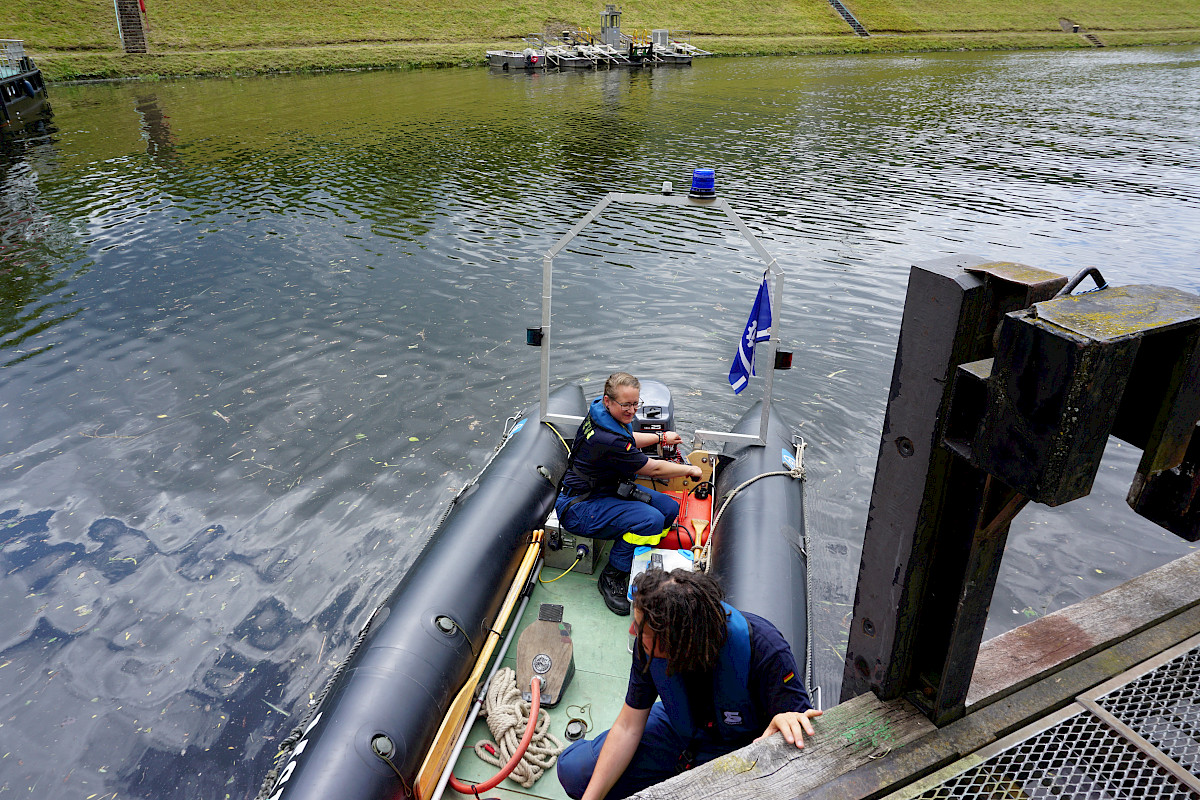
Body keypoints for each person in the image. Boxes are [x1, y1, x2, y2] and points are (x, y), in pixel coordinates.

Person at [557, 569, 821, 800]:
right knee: (574, 771)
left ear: (676, 642)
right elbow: (628, 727)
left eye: (641, 631)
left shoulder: (766, 650)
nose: (633, 634)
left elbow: (795, 727)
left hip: (739, 746)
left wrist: (784, 722)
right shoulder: (648, 648)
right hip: (679, 730)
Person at [556, 372, 703, 615]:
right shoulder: (606, 438)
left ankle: (639, 551)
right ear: (608, 401)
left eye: (636, 403)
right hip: (580, 506)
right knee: (651, 519)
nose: (632, 410)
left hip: (606, 489)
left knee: (668, 509)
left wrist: (660, 437)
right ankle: (613, 575)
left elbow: (629, 438)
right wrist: (689, 469)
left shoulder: (604, 417)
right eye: (626, 404)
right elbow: (653, 468)